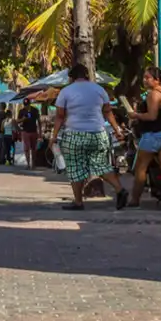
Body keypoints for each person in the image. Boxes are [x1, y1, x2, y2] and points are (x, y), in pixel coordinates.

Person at [52, 63, 130, 211]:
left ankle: (78, 201)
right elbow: (108, 112)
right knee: (101, 165)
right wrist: (117, 129)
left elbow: (59, 116)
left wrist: (54, 136)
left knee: (75, 168)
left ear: (71, 77)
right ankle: (120, 189)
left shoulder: (66, 92)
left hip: (74, 133)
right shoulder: (99, 90)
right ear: (87, 75)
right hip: (98, 133)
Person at [126, 67, 161, 209]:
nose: (144, 80)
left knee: (140, 168)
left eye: (148, 77)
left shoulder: (153, 95)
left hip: (152, 135)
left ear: (157, 79)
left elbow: (152, 116)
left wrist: (136, 115)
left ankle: (134, 199)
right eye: (144, 77)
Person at [19, 101, 41, 169]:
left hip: (33, 131)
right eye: (25, 105)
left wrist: (40, 132)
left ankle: (33, 164)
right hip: (25, 131)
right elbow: (18, 120)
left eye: (27, 105)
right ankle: (28, 164)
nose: (26, 106)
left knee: (33, 148)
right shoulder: (21, 111)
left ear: (29, 104)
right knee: (26, 149)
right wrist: (23, 119)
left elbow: (39, 121)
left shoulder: (35, 110)